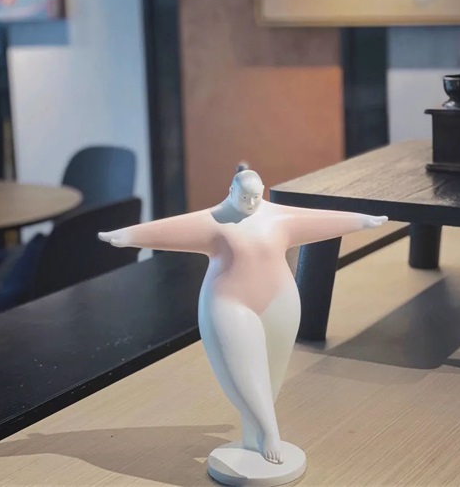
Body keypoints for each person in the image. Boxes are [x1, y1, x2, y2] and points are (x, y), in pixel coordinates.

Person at [99, 165, 387, 465]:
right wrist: (129, 235)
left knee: (271, 378)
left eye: (256, 197)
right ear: (231, 191)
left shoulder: (277, 216)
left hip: (281, 301)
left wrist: (361, 220)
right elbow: (171, 229)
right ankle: (269, 432)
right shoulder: (214, 221)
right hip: (228, 303)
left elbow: (320, 221)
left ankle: (258, 433)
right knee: (241, 373)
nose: (251, 203)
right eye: (245, 197)